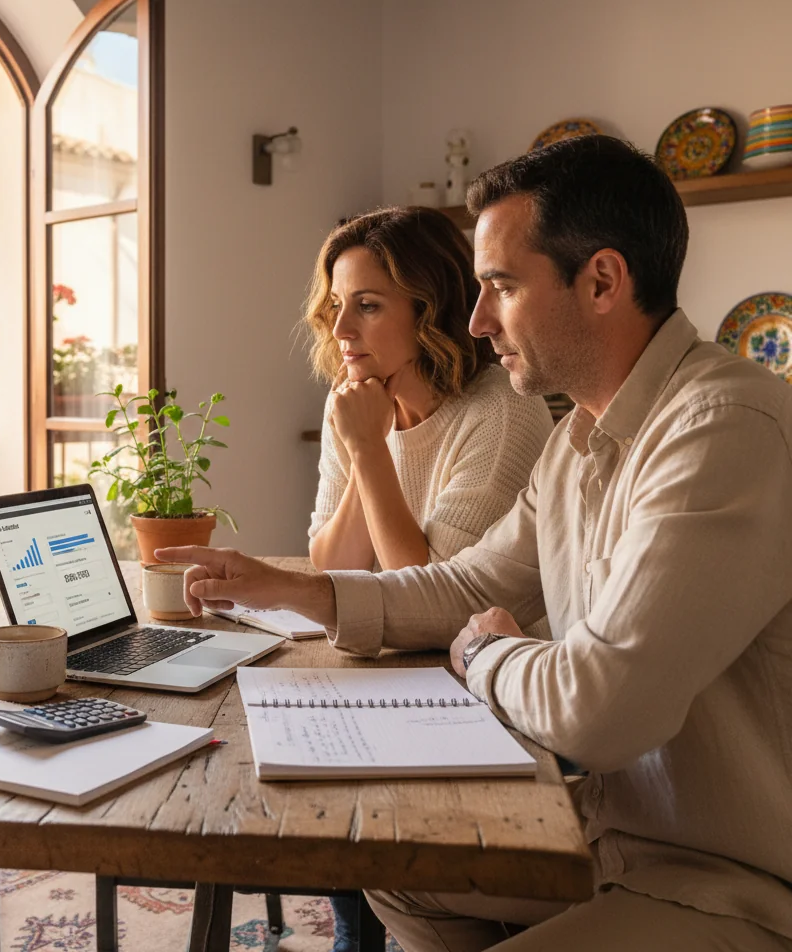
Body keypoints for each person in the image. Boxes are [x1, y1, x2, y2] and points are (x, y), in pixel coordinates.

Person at [159, 135, 792, 951]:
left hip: (728, 881)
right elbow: (466, 584)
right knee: (397, 874)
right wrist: (295, 591)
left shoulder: (720, 427)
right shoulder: (580, 439)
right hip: (613, 838)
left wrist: (485, 657)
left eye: (499, 286)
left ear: (601, 280)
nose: (476, 317)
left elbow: (597, 709)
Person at [303, 209, 552, 950]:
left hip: (489, 685)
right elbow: (334, 565)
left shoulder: (501, 414)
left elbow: (432, 597)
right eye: (337, 304)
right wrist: (365, 441)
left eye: (369, 305)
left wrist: (371, 454)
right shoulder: (356, 404)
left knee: (352, 800)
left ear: (432, 308)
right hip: (400, 669)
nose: (341, 327)